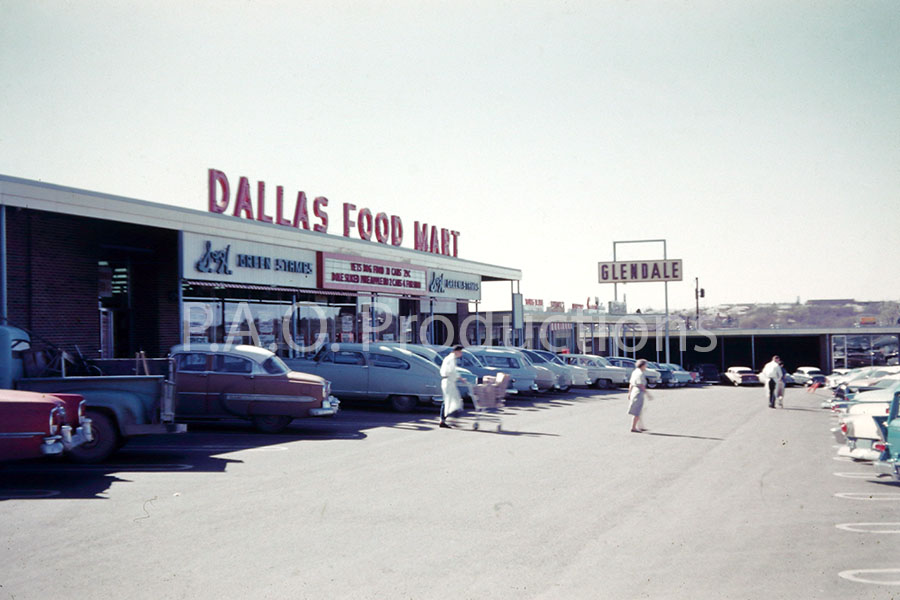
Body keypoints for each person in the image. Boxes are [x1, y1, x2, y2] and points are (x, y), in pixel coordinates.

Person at [439, 345, 465, 428]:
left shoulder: (449, 358)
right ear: (456, 351)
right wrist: (459, 378)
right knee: (452, 401)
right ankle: (448, 420)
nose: (461, 354)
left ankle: (448, 420)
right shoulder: (451, 359)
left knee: (451, 401)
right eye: (460, 352)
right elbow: (451, 371)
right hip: (448, 382)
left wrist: (459, 378)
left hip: (448, 381)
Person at [628, 359, 650, 433]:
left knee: (639, 410)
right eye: (646, 365)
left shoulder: (635, 371)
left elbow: (631, 383)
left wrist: (629, 393)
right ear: (643, 365)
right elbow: (641, 384)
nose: (646, 366)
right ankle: (633, 427)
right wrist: (647, 394)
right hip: (638, 392)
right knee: (637, 411)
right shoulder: (640, 373)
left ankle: (640, 426)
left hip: (634, 391)